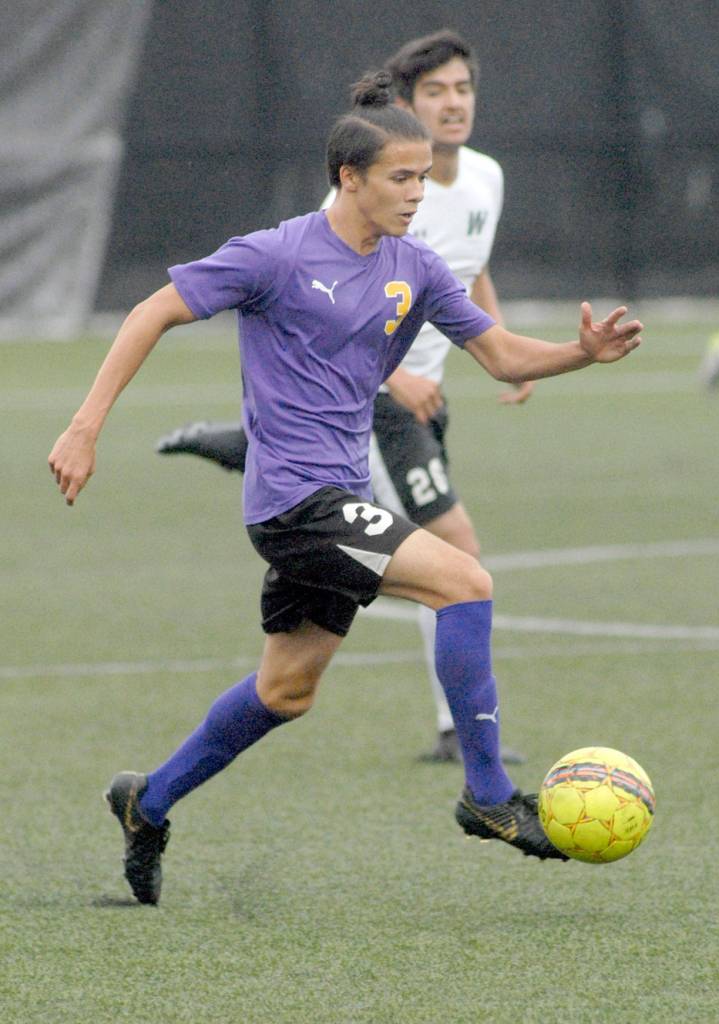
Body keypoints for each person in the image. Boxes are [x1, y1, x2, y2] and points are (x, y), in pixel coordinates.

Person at [49, 72, 642, 905]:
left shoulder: (416, 267)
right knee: (466, 582)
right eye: (403, 176)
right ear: (348, 177)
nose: (419, 190)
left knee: (285, 691)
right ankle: (488, 797)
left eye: (426, 173)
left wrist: (583, 353)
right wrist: (85, 425)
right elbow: (152, 311)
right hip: (296, 504)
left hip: (335, 497)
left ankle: (148, 802)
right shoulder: (277, 254)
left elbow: (501, 355)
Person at [156, 30, 533, 765]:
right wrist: (397, 377)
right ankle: (473, 764)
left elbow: (469, 273)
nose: (452, 105)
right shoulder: (356, 198)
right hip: (383, 407)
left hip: (397, 414)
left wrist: (508, 345)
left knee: (286, 689)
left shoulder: (480, 179)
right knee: (458, 562)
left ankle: (149, 799)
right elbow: (333, 314)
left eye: (463, 89)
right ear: (404, 106)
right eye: (435, 93)